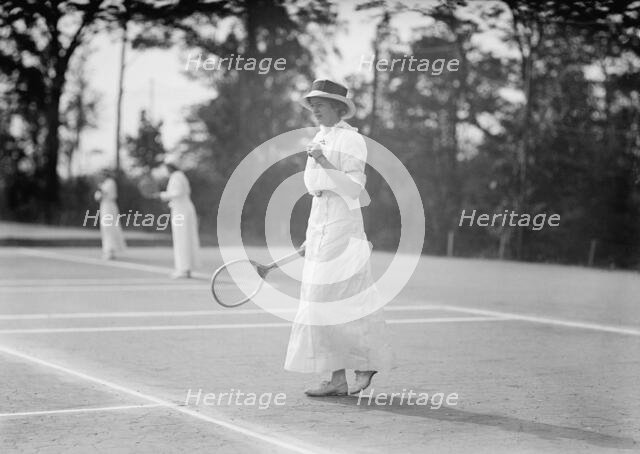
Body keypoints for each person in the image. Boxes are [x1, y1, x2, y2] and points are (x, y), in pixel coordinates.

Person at [284, 79, 392, 396]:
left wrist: (323, 160)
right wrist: (311, 237)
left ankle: (364, 363)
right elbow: (317, 191)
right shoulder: (319, 137)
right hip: (319, 221)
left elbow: (354, 191)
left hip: (344, 224)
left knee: (333, 299)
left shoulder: (351, 141)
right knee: (318, 301)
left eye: (321, 103)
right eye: (312, 103)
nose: (314, 107)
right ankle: (337, 377)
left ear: (338, 108)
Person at [160, 155, 200, 278]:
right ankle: (185, 268)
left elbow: (177, 193)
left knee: (182, 239)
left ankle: (183, 269)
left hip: (181, 211)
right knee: (184, 238)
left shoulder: (176, 176)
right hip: (182, 209)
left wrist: (162, 195)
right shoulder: (180, 176)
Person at [94, 169, 127, 260]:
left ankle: (110, 251)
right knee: (105, 228)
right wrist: (99, 189)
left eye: (102, 174)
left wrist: (100, 188)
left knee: (109, 228)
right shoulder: (104, 183)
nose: (101, 176)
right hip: (104, 206)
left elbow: (105, 193)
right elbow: (97, 197)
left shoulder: (110, 182)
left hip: (110, 207)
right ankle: (107, 250)